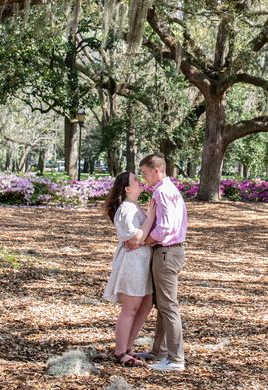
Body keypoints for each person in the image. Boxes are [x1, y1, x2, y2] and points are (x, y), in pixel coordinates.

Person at [124, 154, 187, 372]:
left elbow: (165, 228)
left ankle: (176, 358)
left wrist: (143, 243)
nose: (144, 178)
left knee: (168, 306)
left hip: (166, 253)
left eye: (145, 173)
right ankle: (159, 351)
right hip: (169, 252)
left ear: (156, 170)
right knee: (161, 304)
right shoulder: (170, 190)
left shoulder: (162, 192)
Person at [103, 171, 156, 367]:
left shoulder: (134, 207)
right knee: (130, 308)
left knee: (145, 305)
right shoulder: (126, 209)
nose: (140, 181)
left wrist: (142, 240)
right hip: (133, 264)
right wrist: (150, 216)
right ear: (127, 189)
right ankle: (119, 352)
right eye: (136, 179)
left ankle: (128, 347)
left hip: (143, 263)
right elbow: (134, 238)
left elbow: (140, 239)